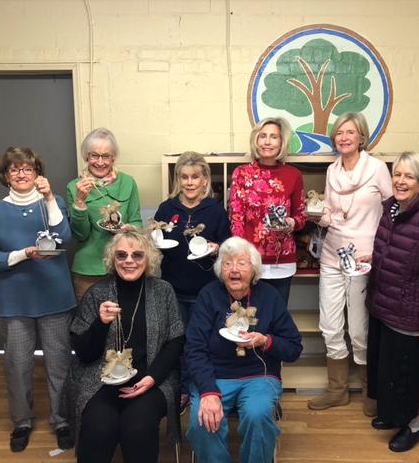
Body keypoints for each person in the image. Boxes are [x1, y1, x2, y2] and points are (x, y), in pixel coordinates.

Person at [0, 147, 76, 452]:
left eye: (28, 168)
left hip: (55, 297)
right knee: (18, 365)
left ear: (37, 173)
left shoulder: (54, 201)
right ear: (5, 175)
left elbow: (64, 238)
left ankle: (61, 421)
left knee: (59, 364)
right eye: (14, 169)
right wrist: (24, 253)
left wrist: (49, 198)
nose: (21, 174)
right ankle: (21, 422)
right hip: (14, 303)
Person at [67, 230, 185, 463]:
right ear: (113, 259)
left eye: (137, 255)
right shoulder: (97, 293)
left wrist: (152, 378)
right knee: (99, 429)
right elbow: (84, 352)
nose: (129, 261)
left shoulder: (163, 291)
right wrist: (100, 323)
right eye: (121, 255)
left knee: (138, 428)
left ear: (148, 258)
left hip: (150, 379)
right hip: (101, 380)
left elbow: (176, 340)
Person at [185, 236, 303, 463]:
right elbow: (194, 348)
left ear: (254, 269)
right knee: (203, 421)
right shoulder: (209, 295)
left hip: (259, 376)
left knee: (257, 416)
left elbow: (294, 348)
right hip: (214, 376)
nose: (234, 270)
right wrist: (208, 392)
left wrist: (265, 341)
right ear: (220, 270)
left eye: (242, 263)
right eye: (227, 263)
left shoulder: (269, 296)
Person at [307, 113, 392, 415]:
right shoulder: (332, 170)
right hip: (332, 254)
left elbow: (392, 213)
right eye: (339, 132)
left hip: (362, 259)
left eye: (350, 132)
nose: (344, 137)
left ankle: (371, 390)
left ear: (361, 137)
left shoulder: (377, 168)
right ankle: (337, 390)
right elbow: (331, 214)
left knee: (358, 329)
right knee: (329, 325)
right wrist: (317, 215)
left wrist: (382, 251)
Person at [366, 151, 419, 452]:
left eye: (409, 176)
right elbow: (390, 250)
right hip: (383, 303)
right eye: (397, 174)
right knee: (385, 368)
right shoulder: (391, 207)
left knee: (404, 373)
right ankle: (392, 415)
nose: (400, 181)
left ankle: (413, 425)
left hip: (408, 311)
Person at [154, 151, 231, 406]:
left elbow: (227, 246)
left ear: (204, 179)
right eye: (184, 177)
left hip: (206, 291)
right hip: (172, 290)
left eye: (195, 177)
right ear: (178, 179)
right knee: (177, 341)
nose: (189, 182)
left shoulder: (215, 211)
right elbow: (155, 241)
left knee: (201, 341)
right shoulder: (167, 208)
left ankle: (200, 387)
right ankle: (181, 389)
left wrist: (217, 247)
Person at [229, 117, 306, 306]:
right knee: (246, 316)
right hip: (250, 260)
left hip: (282, 261)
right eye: (263, 136)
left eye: (273, 137)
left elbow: (301, 216)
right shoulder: (241, 173)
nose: (267, 141)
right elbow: (236, 218)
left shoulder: (294, 175)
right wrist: (241, 255)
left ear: (281, 142)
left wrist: (291, 223)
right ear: (256, 140)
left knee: (277, 316)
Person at [67, 127, 143, 301]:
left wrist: (130, 229)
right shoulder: (75, 186)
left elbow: (137, 221)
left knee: (125, 315)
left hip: (124, 265)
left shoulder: (128, 182)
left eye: (106, 156)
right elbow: (80, 234)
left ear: (113, 157)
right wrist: (80, 201)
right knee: (90, 317)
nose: (100, 162)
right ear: (86, 156)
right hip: (88, 269)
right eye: (94, 155)